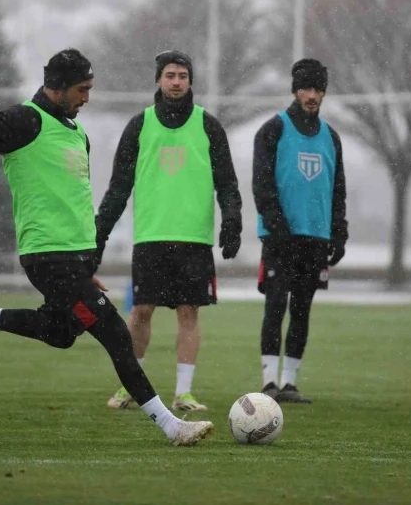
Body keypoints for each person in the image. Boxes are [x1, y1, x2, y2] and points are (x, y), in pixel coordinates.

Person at [0, 48, 214, 446]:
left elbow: (73, 202)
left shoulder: (74, 132)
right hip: (48, 258)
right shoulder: (25, 121)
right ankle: (172, 426)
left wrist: (86, 267)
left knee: (59, 330)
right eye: (83, 89)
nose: (87, 97)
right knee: (116, 333)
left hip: (71, 260)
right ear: (59, 87)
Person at [96, 50, 243, 412]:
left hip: (194, 237)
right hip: (151, 236)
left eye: (182, 75)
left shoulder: (208, 126)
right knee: (140, 312)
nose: (176, 82)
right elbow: (119, 186)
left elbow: (227, 182)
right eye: (170, 75)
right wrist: (100, 233)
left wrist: (233, 219)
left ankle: (184, 393)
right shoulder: (139, 125)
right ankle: (130, 386)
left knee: (188, 312)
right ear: (159, 80)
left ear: (191, 80)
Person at [253, 58, 347, 404]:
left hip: (315, 237)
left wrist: (339, 232)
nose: (312, 95)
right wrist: (276, 227)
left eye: (318, 89)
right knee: (276, 305)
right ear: (295, 90)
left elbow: (337, 188)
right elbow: (261, 184)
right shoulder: (273, 129)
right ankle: (268, 382)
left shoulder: (331, 137)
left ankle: (290, 382)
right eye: (306, 88)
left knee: (303, 308)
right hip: (280, 237)